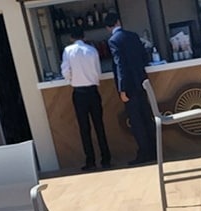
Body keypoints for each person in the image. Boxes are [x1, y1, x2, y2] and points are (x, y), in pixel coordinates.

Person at [105, 12, 156, 165]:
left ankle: (144, 152)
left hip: (129, 87)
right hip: (141, 82)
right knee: (146, 118)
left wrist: (122, 89)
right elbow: (143, 56)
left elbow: (120, 65)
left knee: (136, 121)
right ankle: (154, 150)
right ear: (119, 22)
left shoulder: (113, 41)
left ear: (108, 27)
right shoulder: (133, 36)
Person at [61, 26, 112, 171]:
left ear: (71, 38)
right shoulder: (92, 50)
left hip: (79, 92)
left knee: (84, 128)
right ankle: (106, 159)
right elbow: (98, 72)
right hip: (93, 91)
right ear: (84, 37)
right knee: (99, 126)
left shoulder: (67, 51)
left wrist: (71, 80)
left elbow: (65, 71)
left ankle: (90, 160)